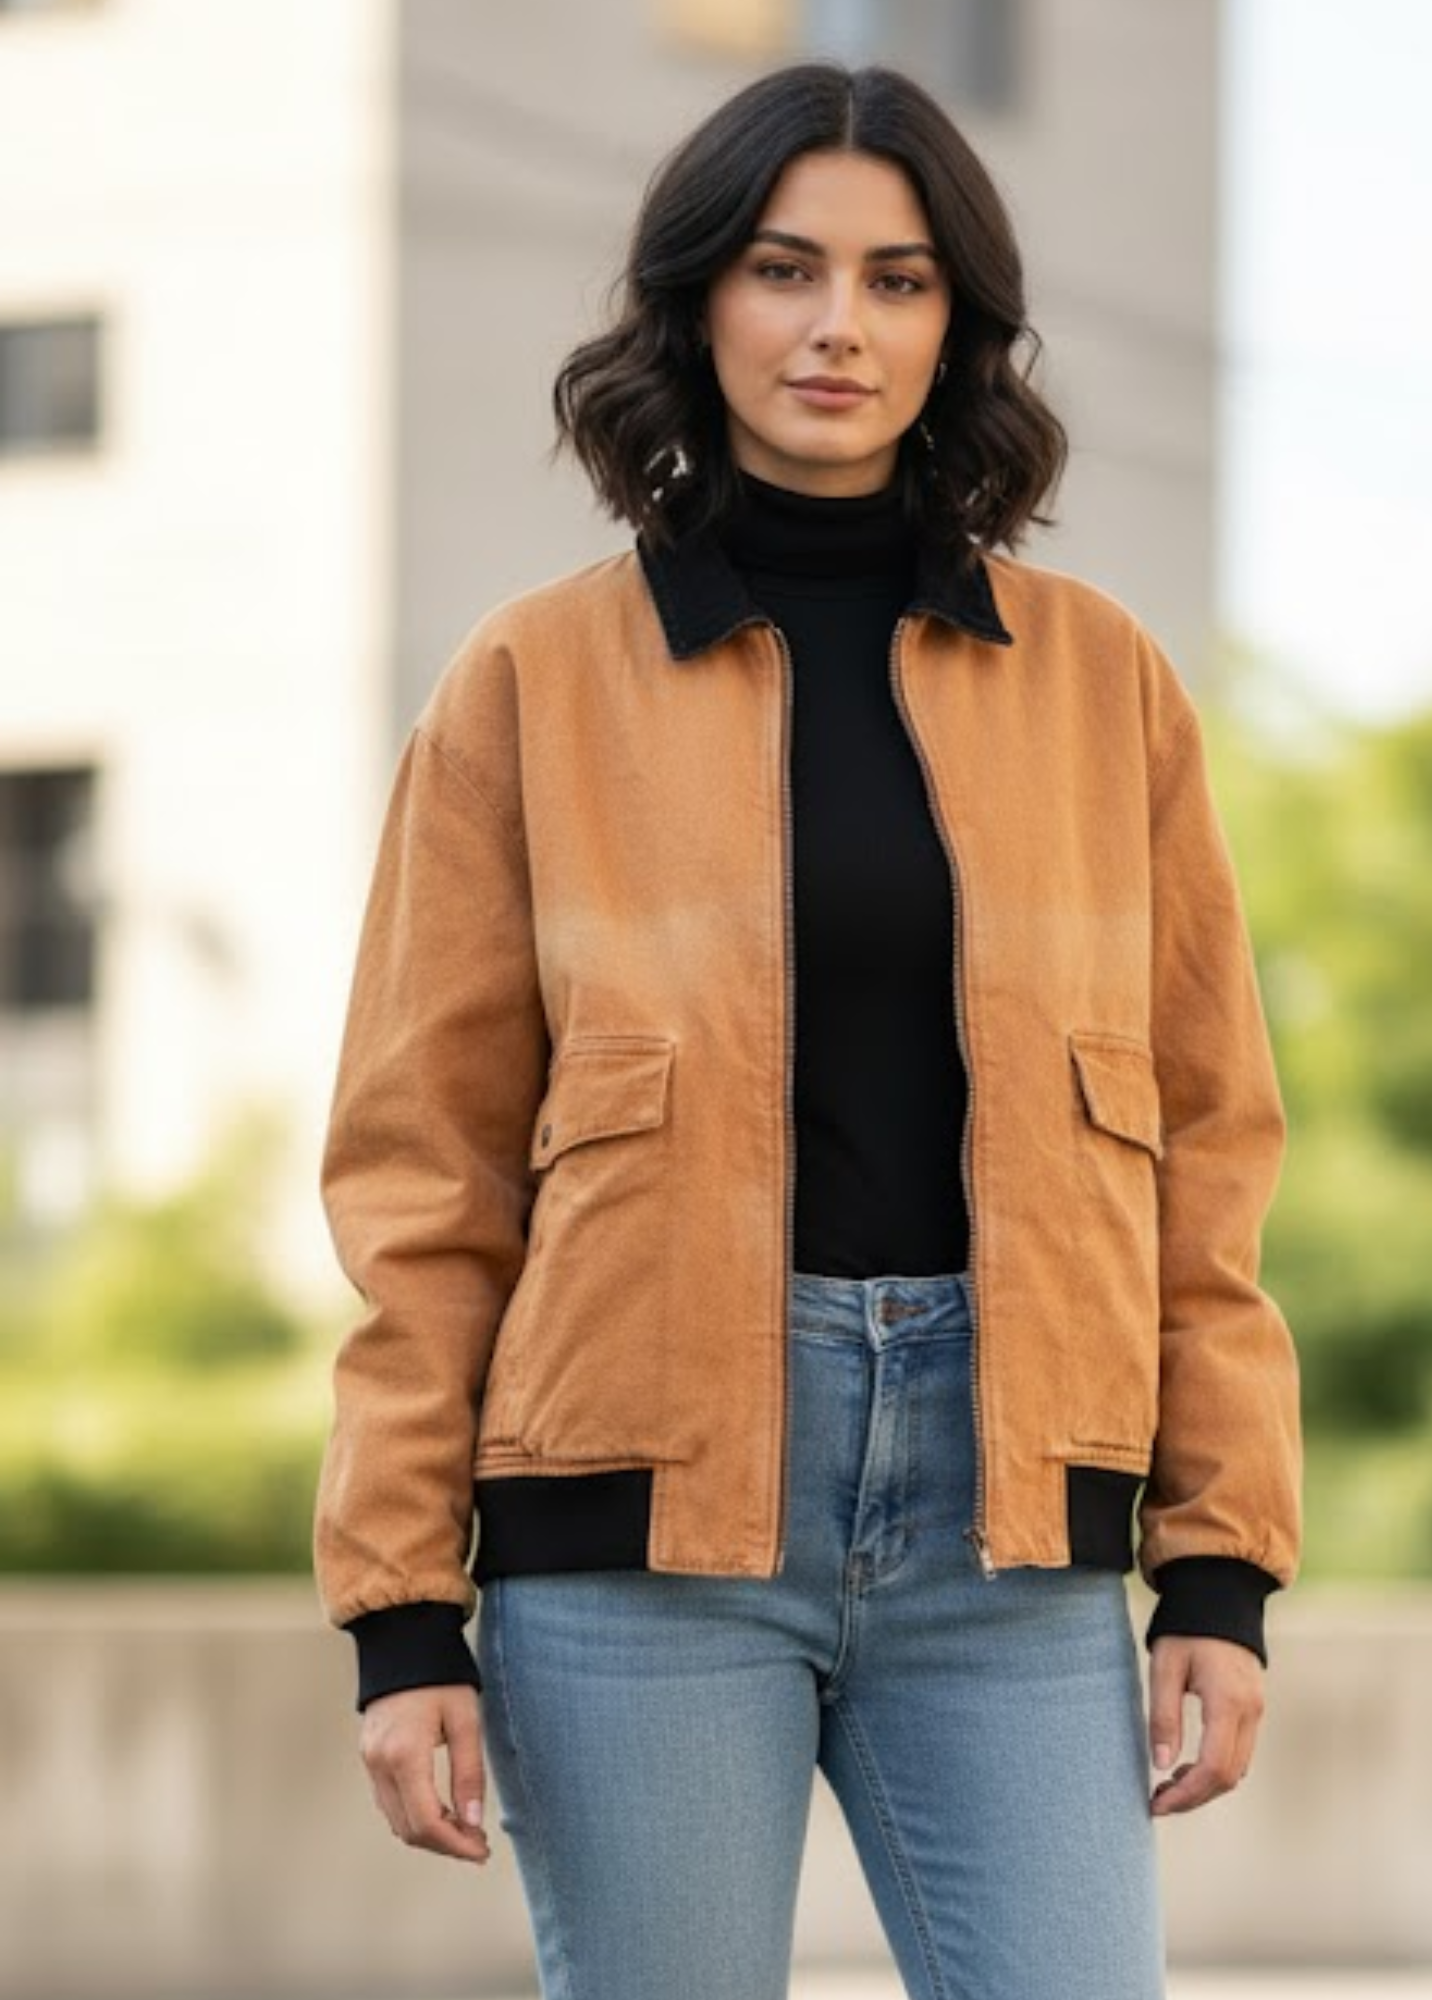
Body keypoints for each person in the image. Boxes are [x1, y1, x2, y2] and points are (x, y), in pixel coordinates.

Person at [312, 57, 1302, 2000]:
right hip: (634, 1532)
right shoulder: (528, 683)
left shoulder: (1102, 688)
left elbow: (1205, 1149)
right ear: (697, 303)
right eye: (782, 269)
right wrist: (400, 1611)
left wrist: (1215, 1565)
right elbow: (421, 1176)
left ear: (961, 329)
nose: (837, 324)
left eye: (899, 279)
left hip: (1010, 1528)